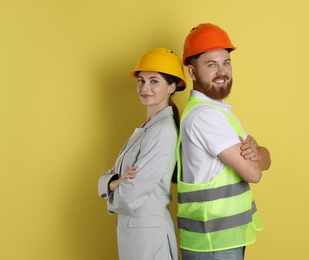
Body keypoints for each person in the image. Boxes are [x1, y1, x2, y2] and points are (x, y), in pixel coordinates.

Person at [176, 23, 272, 259]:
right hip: (212, 244)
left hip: (221, 240)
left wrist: (258, 152)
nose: (222, 71)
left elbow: (266, 157)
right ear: (192, 71)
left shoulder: (218, 112)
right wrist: (256, 156)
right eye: (211, 65)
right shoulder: (205, 117)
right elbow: (254, 173)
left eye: (226, 62)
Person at [98, 47, 186, 260]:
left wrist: (110, 189)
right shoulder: (148, 128)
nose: (145, 87)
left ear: (171, 87)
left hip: (148, 237)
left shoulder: (162, 131)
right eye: (141, 81)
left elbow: (129, 196)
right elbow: (115, 178)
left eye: (154, 81)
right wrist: (112, 183)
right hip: (138, 234)